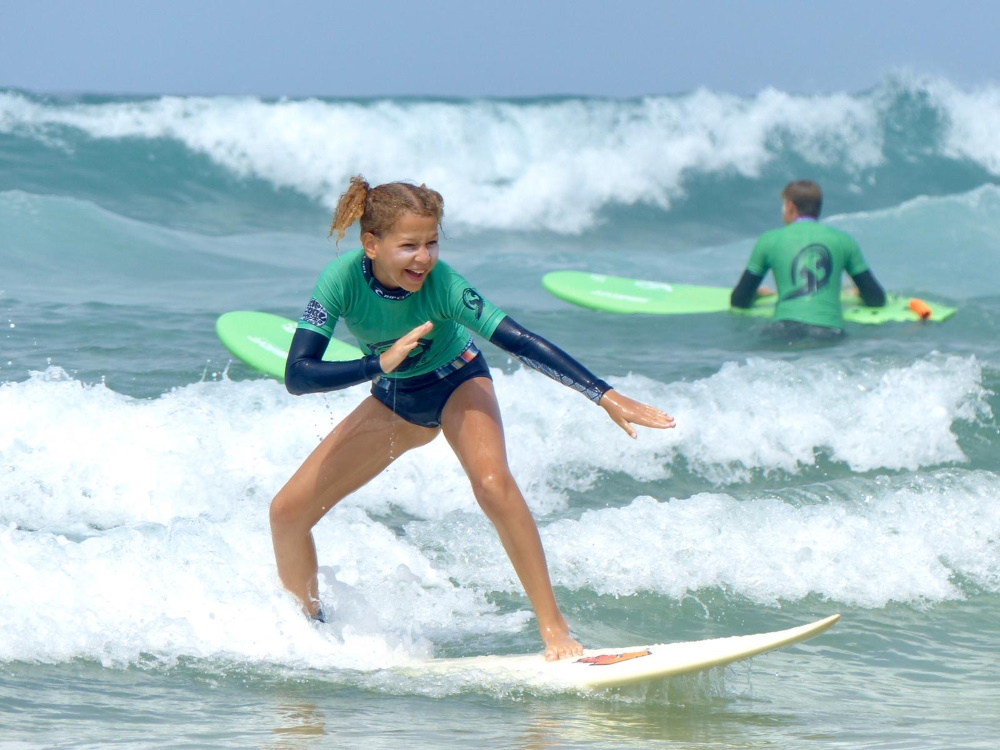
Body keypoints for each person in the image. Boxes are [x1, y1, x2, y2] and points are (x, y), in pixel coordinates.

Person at [270, 176, 675, 661]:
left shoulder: (445, 287)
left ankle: (556, 632)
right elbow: (298, 374)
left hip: (459, 379)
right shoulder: (338, 282)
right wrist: (377, 364)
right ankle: (310, 632)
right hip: (396, 398)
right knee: (287, 513)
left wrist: (604, 395)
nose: (424, 258)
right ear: (371, 244)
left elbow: (518, 340)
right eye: (409, 246)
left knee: (491, 483)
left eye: (432, 243)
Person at [730, 180, 886, 341]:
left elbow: (739, 300)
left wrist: (757, 295)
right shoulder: (843, 240)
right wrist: (861, 293)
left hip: (782, 331)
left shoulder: (768, 240)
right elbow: (876, 299)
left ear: (790, 206)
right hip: (830, 334)